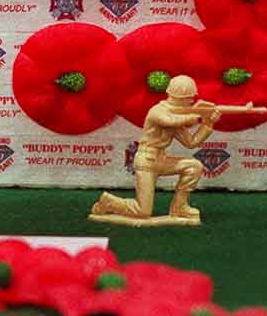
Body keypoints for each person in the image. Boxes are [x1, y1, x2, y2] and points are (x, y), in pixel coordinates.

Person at [90, 74, 233, 225]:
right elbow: (168, 121)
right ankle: (110, 202)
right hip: (146, 161)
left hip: (161, 160)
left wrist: (208, 123)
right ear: (180, 97)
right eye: (189, 98)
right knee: (142, 212)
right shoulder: (157, 111)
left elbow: (191, 142)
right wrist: (196, 116)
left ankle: (180, 207)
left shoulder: (178, 115)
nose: (191, 102)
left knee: (194, 166)